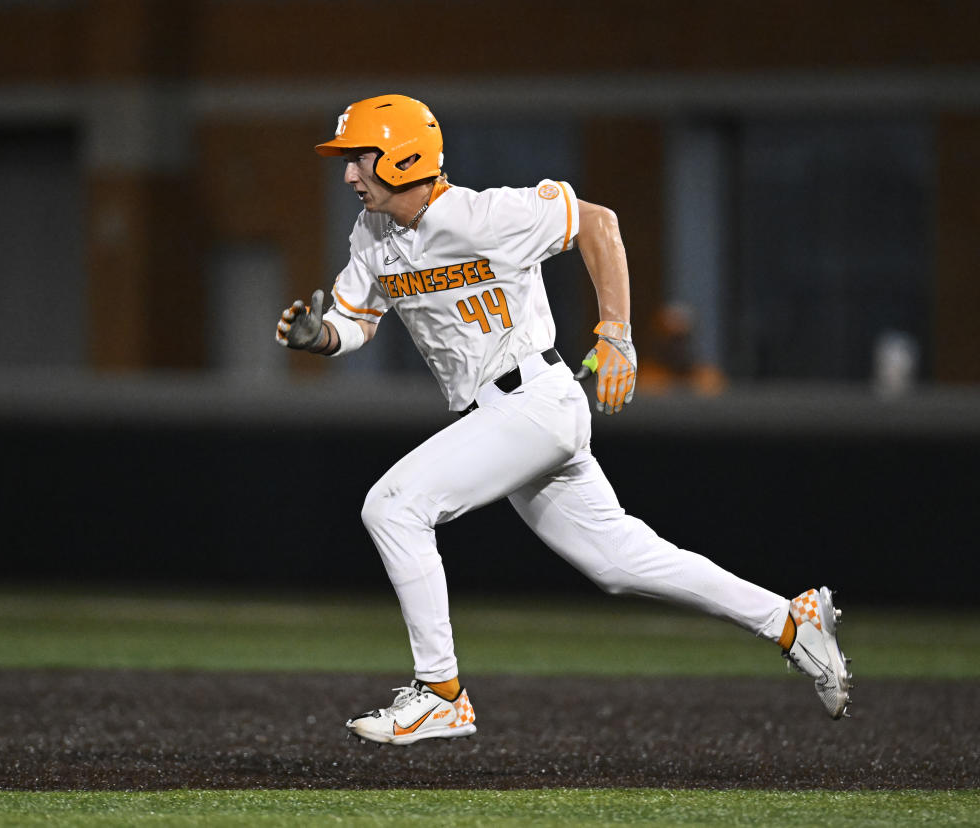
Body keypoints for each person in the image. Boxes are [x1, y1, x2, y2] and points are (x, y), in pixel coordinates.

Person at [275, 94, 852, 746]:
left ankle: (441, 692)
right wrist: (318, 335)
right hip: (507, 414)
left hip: (536, 400)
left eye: (360, 157)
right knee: (621, 560)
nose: (349, 173)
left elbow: (598, 223)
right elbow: (356, 321)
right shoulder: (373, 236)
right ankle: (790, 620)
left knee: (393, 506)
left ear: (404, 155)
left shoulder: (483, 214)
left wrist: (617, 334)